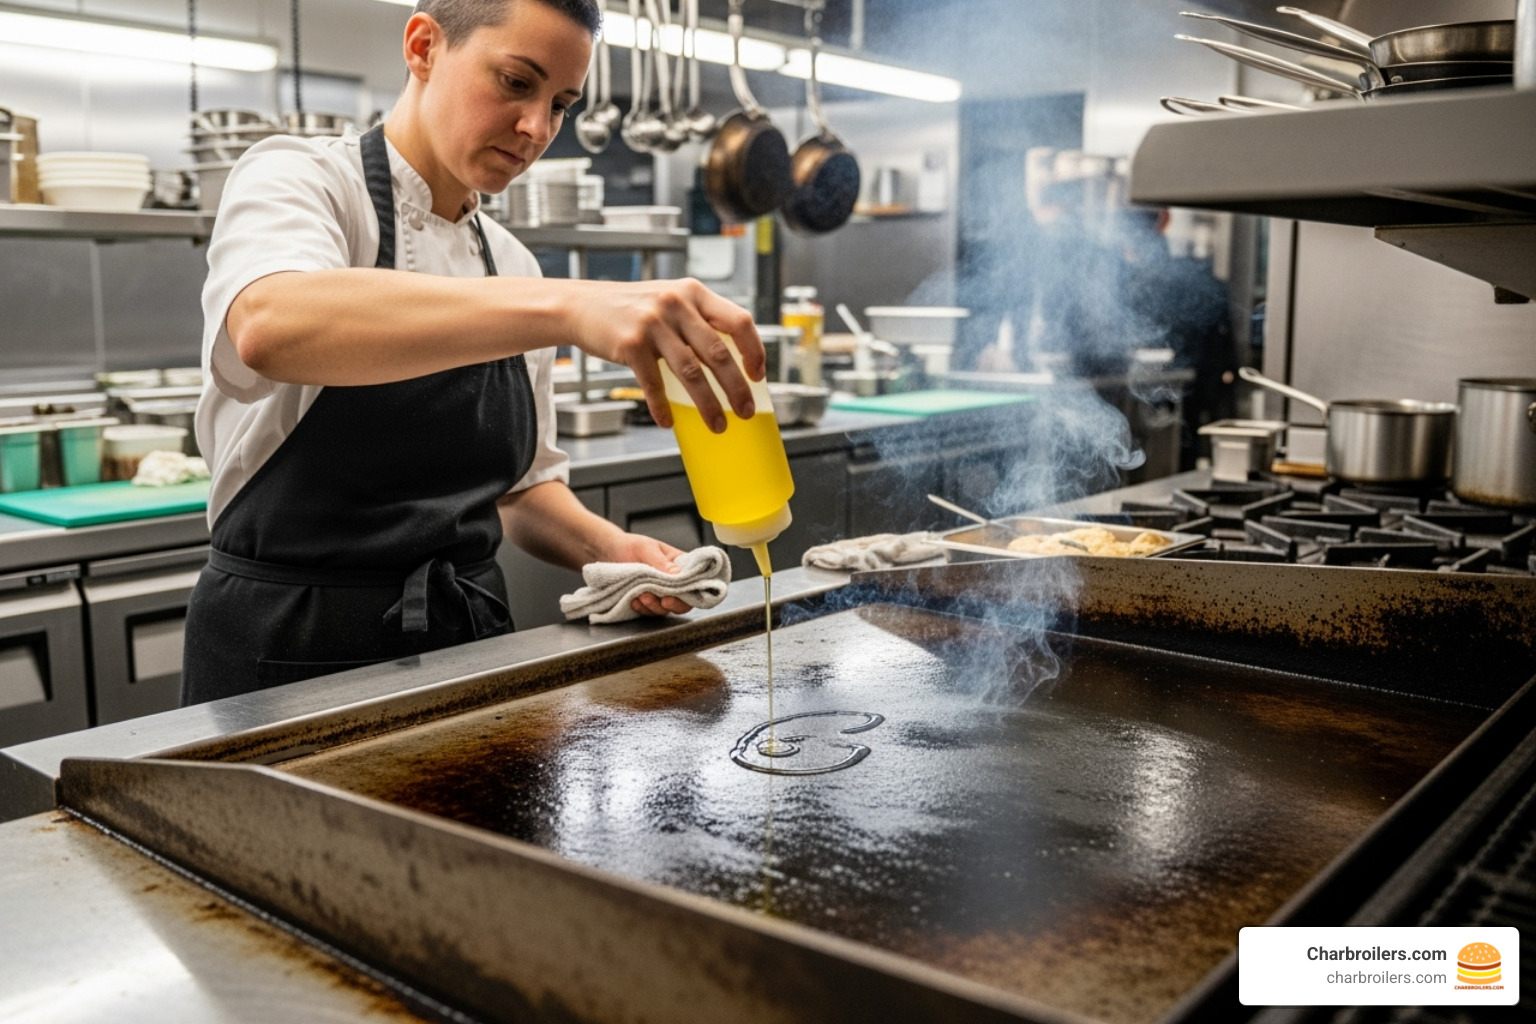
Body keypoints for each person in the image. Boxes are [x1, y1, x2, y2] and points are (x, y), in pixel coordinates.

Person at [183, 0, 765, 705]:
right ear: (424, 47)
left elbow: (522, 491)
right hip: (288, 657)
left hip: (466, 649)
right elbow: (271, 324)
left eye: (561, 104)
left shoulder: (513, 265)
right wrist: (572, 308)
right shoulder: (302, 181)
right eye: (518, 83)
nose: (538, 129)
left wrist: (613, 550)